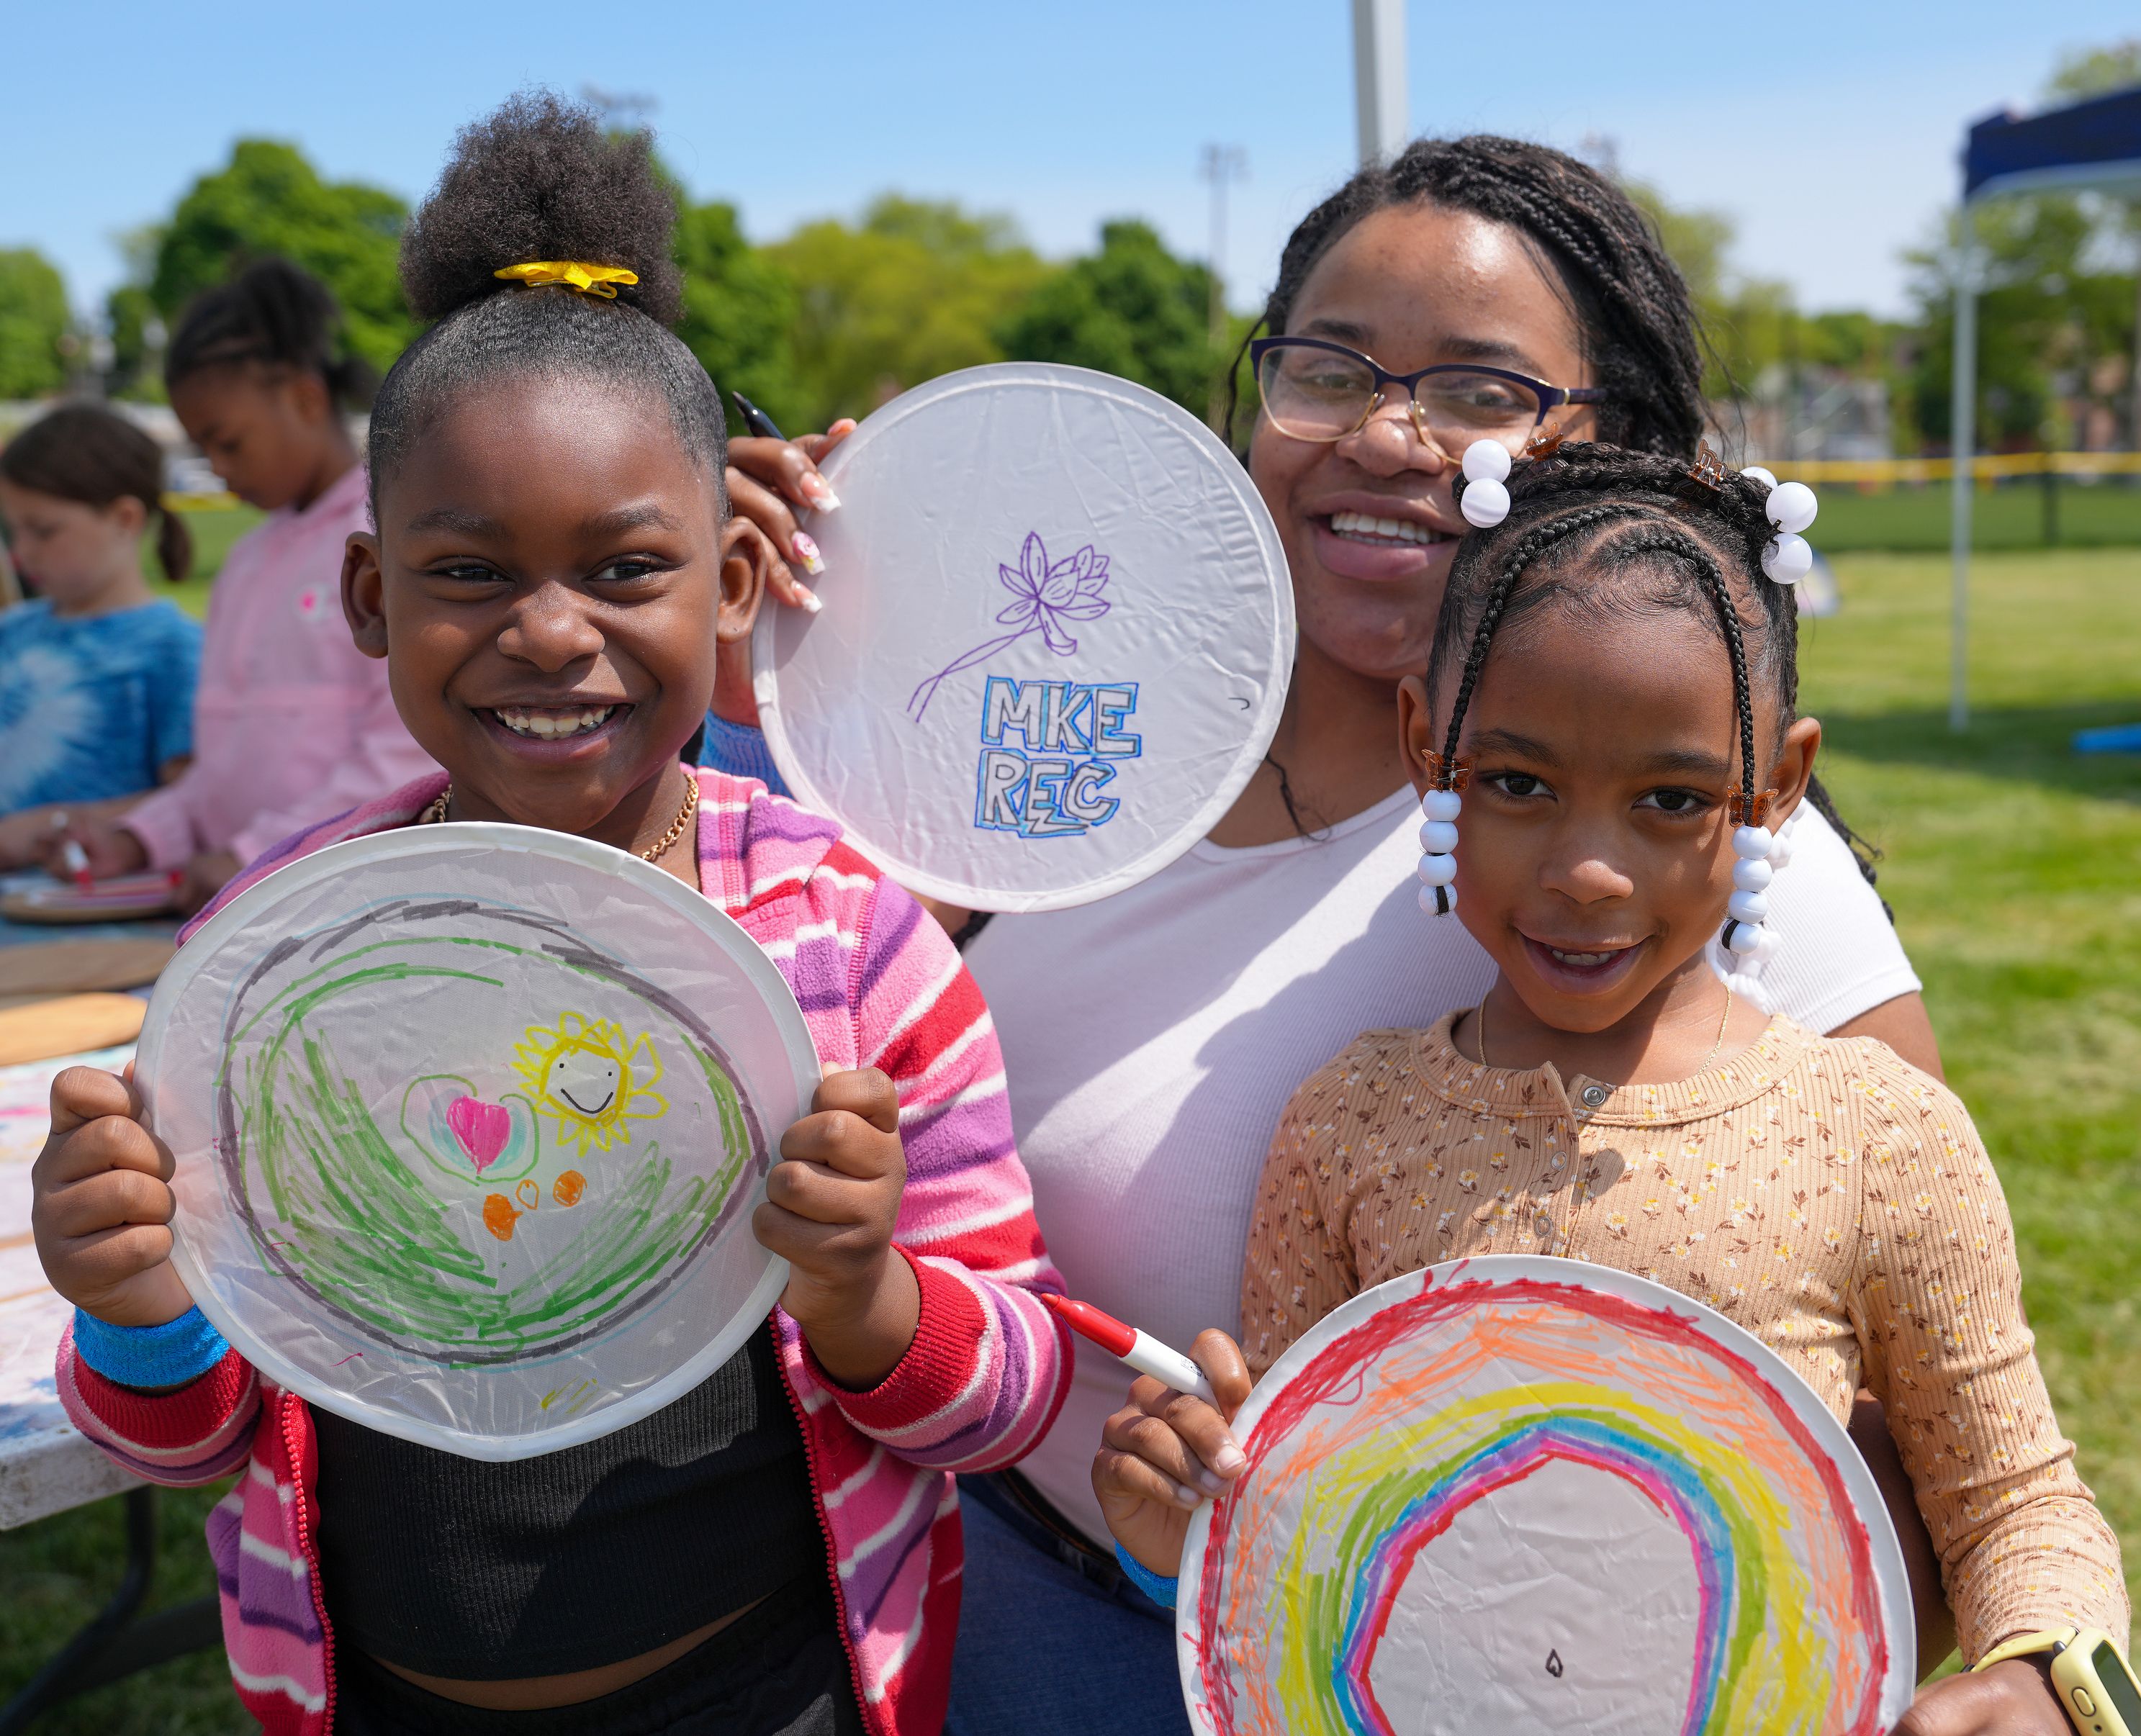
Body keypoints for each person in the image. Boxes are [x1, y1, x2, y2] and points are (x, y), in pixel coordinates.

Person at [704, 136, 1946, 1732]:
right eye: (1328, 369)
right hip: (1013, 1619)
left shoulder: (1696, 843)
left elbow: (1926, 1389)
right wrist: (739, 637)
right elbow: (769, 1051)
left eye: (1482, 389)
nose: (1382, 433)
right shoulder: (1081, 747)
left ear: (1610, 448)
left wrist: (1961, 1660)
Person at [32, 94, 1068, 1736]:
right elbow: (186, 1437)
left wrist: (865, 1295)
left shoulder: (852, 940)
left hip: (777, 1693)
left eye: (624, 568)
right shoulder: (277, 962)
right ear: (371, 598)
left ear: (730, 584)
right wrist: (139, 1302)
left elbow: (1006, 1399)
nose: (549, 631)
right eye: (467, 572)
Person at [1091, 440, 2125, 1736]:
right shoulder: (1347, 1124)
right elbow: (1300, 1521)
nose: (1587, 869)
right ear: (1426, 749)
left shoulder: (1871, 1135)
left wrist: (2042, 1677)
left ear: (1775, 787)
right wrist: (1180, 1521)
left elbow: (2011, 1499)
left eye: (1670, 799)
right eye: (1517, 784)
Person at [49, 259, 433, 914]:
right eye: (203, 450)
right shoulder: (245, 562)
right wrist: (140, 839)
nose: (219, 470)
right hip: (240, 913)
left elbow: (409, 752)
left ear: (305, 399)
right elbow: (220, 773)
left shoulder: (392, 537)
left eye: (227, 442)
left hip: (356, 915)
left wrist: (259, 856)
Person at [0, 403, 202, 864]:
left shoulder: (175, 649)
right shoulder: (11, 631)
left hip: (92, 901)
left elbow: (197, 801)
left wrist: (50, 825)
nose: (21, 552)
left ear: (124, 519)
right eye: (13, 532)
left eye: (43, 531)